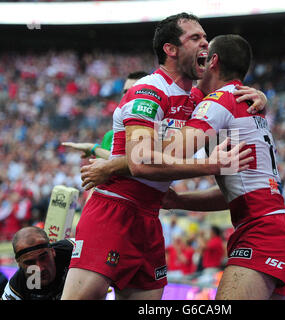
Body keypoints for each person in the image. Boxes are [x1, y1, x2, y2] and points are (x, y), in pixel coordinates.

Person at [61, 13, 265, 300]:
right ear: (170, 50)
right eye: (195, 38)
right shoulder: (149, 90)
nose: (205, 44)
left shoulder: (199, 101)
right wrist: (209, 164)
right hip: (114, 210)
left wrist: (258, 94)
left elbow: (228, 89)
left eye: (206, 38)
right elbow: (141, 162)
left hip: (150, 217)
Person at [159, 34, 285, 300]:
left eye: (204, 57)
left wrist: (128, 153)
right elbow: (236, 194)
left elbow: (170, 153)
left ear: (213, 61)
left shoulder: (218, 102)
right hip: (276, 225)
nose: (198, 64)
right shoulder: (245, 101)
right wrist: (178, 200)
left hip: (263, 231)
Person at [61, 71, 149, 160]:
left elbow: (140, 165)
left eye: (134, 91)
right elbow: (106, 169)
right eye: (125, 91)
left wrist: (94, 149)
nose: (127, 96)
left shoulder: (159, 129)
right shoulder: (110, 136)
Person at [1, 226, 74, 300]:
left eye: (43, 258)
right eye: (30, 262)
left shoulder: (72, 249)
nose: (40, 269)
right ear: (19, 264)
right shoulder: (17, 285)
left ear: (52, 251)